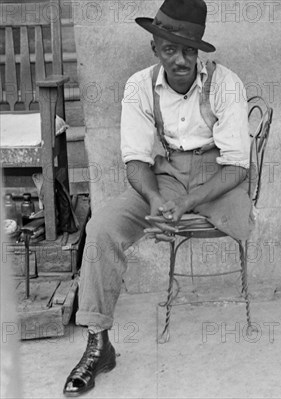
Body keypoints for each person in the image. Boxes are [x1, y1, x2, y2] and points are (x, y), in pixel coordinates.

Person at [63, 0, 253, 396]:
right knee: (102, 226)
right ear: (155, 48)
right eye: (170, 49)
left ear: (199, 50)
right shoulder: (139, 86)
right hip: (163, 178)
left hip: (216, 176)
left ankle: (189, 211)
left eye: (188, 50)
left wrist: (186, 203)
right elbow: (135, 160)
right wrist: (153, 199)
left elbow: (237, 166)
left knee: (240, 217)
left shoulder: (225, 83)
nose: (180, 60)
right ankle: (99, 343)